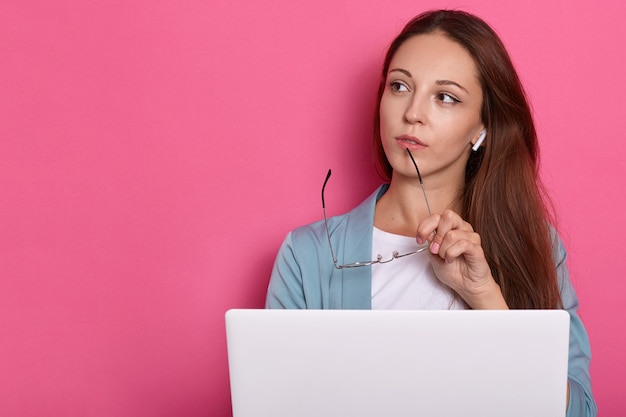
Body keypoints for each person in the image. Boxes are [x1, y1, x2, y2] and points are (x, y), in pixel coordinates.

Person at [265, 9, 596, 416]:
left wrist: (486, 298)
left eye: (445, 97)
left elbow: (578, 410)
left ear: (481, 129)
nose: (412, 113)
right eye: (400, 86)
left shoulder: (535, 244)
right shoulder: (307, 257)